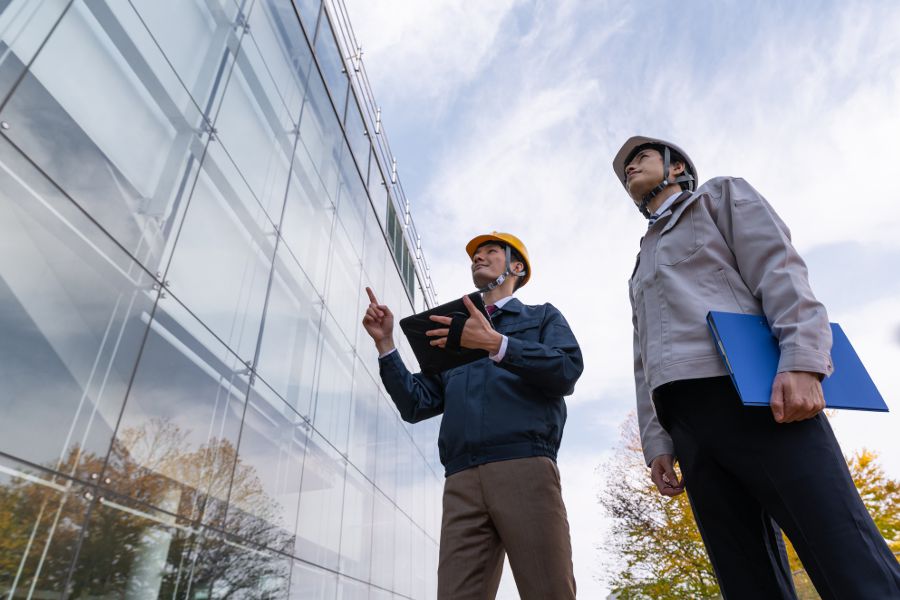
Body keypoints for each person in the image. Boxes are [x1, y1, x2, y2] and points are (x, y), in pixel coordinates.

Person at [615, 135, 900, 599]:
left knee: (843, 551)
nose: (629, 167)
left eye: (640, 157)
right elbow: (642, 357)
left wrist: (804, 360)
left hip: (757, 394)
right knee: (744, 577)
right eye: (624, 167)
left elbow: (778, 267)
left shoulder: (719, 196)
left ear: (675, 167)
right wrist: (657, 442)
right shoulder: (639, 263)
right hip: (687, 421)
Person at [362, 232, 582, 600]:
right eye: (475, 255)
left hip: (524, 467)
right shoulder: (452, 331)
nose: (478, 258)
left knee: (549, 592)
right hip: (461, 481)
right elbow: (416, 403)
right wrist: (386, 345)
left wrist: (496, 344)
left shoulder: (541, 316)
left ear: (516, 267)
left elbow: (567, 369)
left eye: (490, 251)